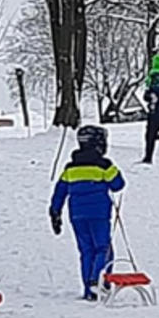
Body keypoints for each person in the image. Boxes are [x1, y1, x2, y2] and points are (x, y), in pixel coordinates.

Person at [50, 126, 126, 300]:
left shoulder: (70, 168)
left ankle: (88, 290)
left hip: (76, 215)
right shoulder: (103, 164)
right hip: (98, 214)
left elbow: (59, 192)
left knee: (86, 251)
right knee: (103, 249)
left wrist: (55, 212)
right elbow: (118, 184)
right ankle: (97, 283)